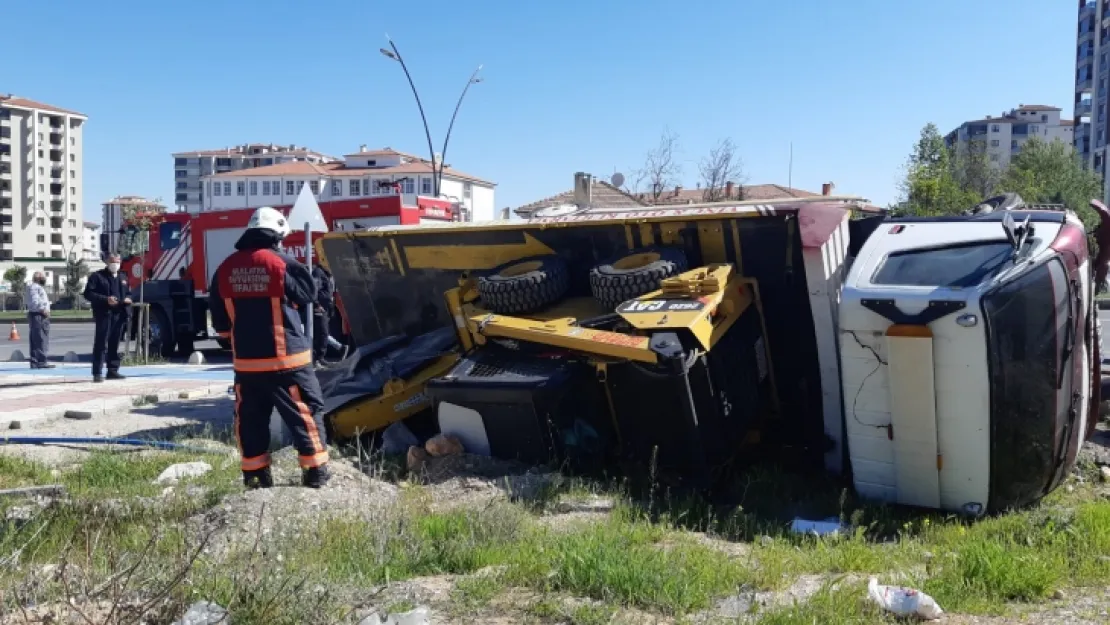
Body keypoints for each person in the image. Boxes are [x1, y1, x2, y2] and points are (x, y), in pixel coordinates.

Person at [209, 206, 330, 489]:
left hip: (247, 366)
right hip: (288, 362)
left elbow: (221, 323)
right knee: (306, 413)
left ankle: (255, 476)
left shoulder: (225, 268)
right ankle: (315, 473)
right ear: (277, 236)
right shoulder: (281, 263)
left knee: (250, 420)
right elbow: (308, 294)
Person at [83, 254, 132, 382]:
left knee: (114, 343)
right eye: (112, 261)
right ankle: (97, 372)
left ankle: (112, 370)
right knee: (101, 344)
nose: (115, 264)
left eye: (117, 261)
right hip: (104, 314)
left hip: (119, 314)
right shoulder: (97, 276)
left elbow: (128, 293)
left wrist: (129, 299)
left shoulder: (123, 277)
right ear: (107, 262)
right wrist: (106, 300)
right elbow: (88, 293)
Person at [25, 272, 54, 369]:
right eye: (43, 277)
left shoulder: (33, 287)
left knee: (35, 339)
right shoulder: (35, 287)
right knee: (41, 338)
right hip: (39, 315)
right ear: (38, 278)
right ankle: (41, 361)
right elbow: (35, 301)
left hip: (35, 315)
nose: (44, 279)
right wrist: (43, 310)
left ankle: (35, 361)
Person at [311, 260, 335, 367]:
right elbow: (313, 290)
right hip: (319, 308)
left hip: (326, 308)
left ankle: (320, 358)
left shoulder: (327, 273)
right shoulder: (318, 272)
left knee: (324, 333)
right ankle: (318, 359)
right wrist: (317, 305)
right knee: (321, 333)